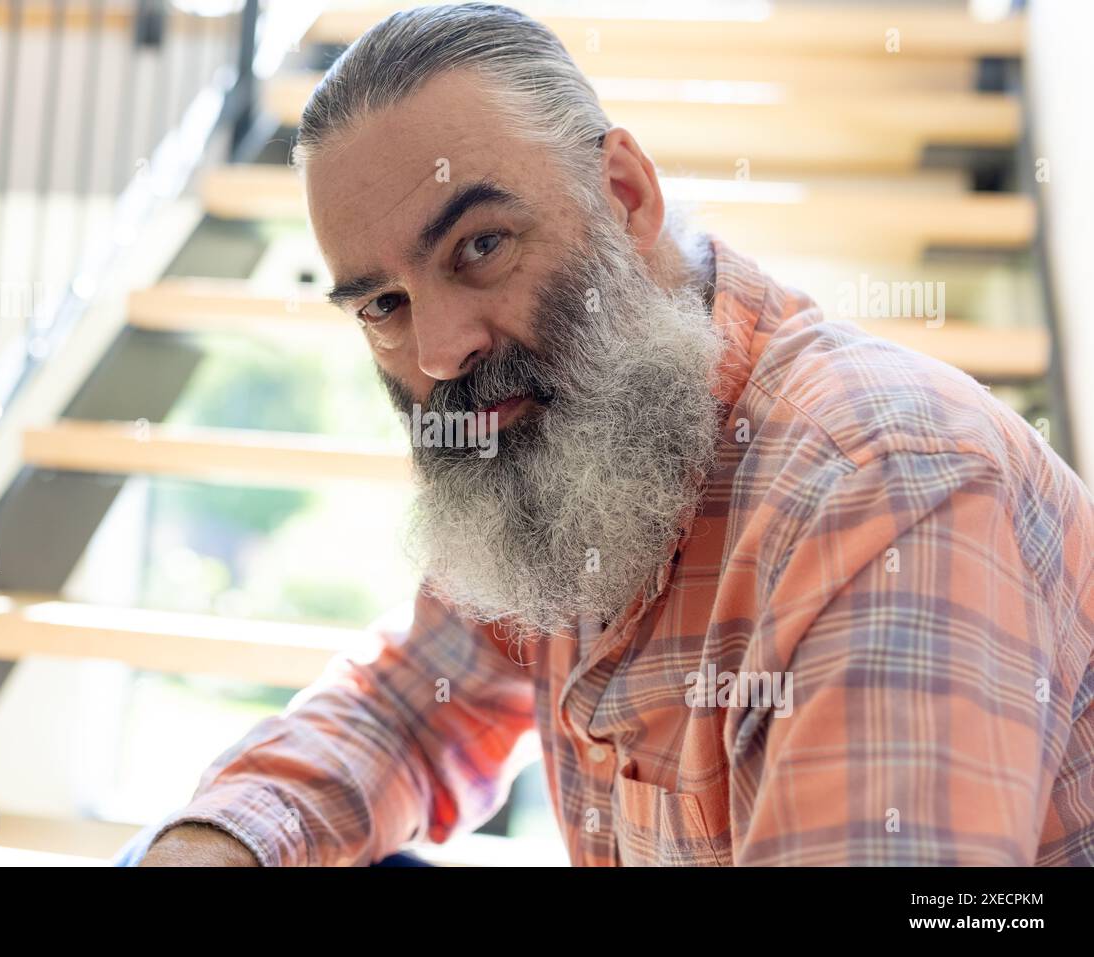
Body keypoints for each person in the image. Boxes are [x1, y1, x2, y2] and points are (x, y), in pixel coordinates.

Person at [131, 3, 1094, 866]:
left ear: (625, 197)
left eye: (479, 246)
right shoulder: (566, 443)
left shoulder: (884, 490)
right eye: (383, 303)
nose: (439, 353)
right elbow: (412, 701)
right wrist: (215, 842)